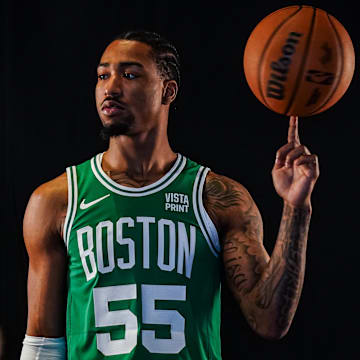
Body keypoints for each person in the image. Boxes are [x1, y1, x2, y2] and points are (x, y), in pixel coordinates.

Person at [20, 30, 319, 360]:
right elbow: (42, 345)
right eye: (103, 75)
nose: (111, 86)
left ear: (168, 91)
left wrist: (296, 208)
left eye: (130, 74)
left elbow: (270, 321)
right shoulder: (57, 200)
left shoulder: (216, 198)